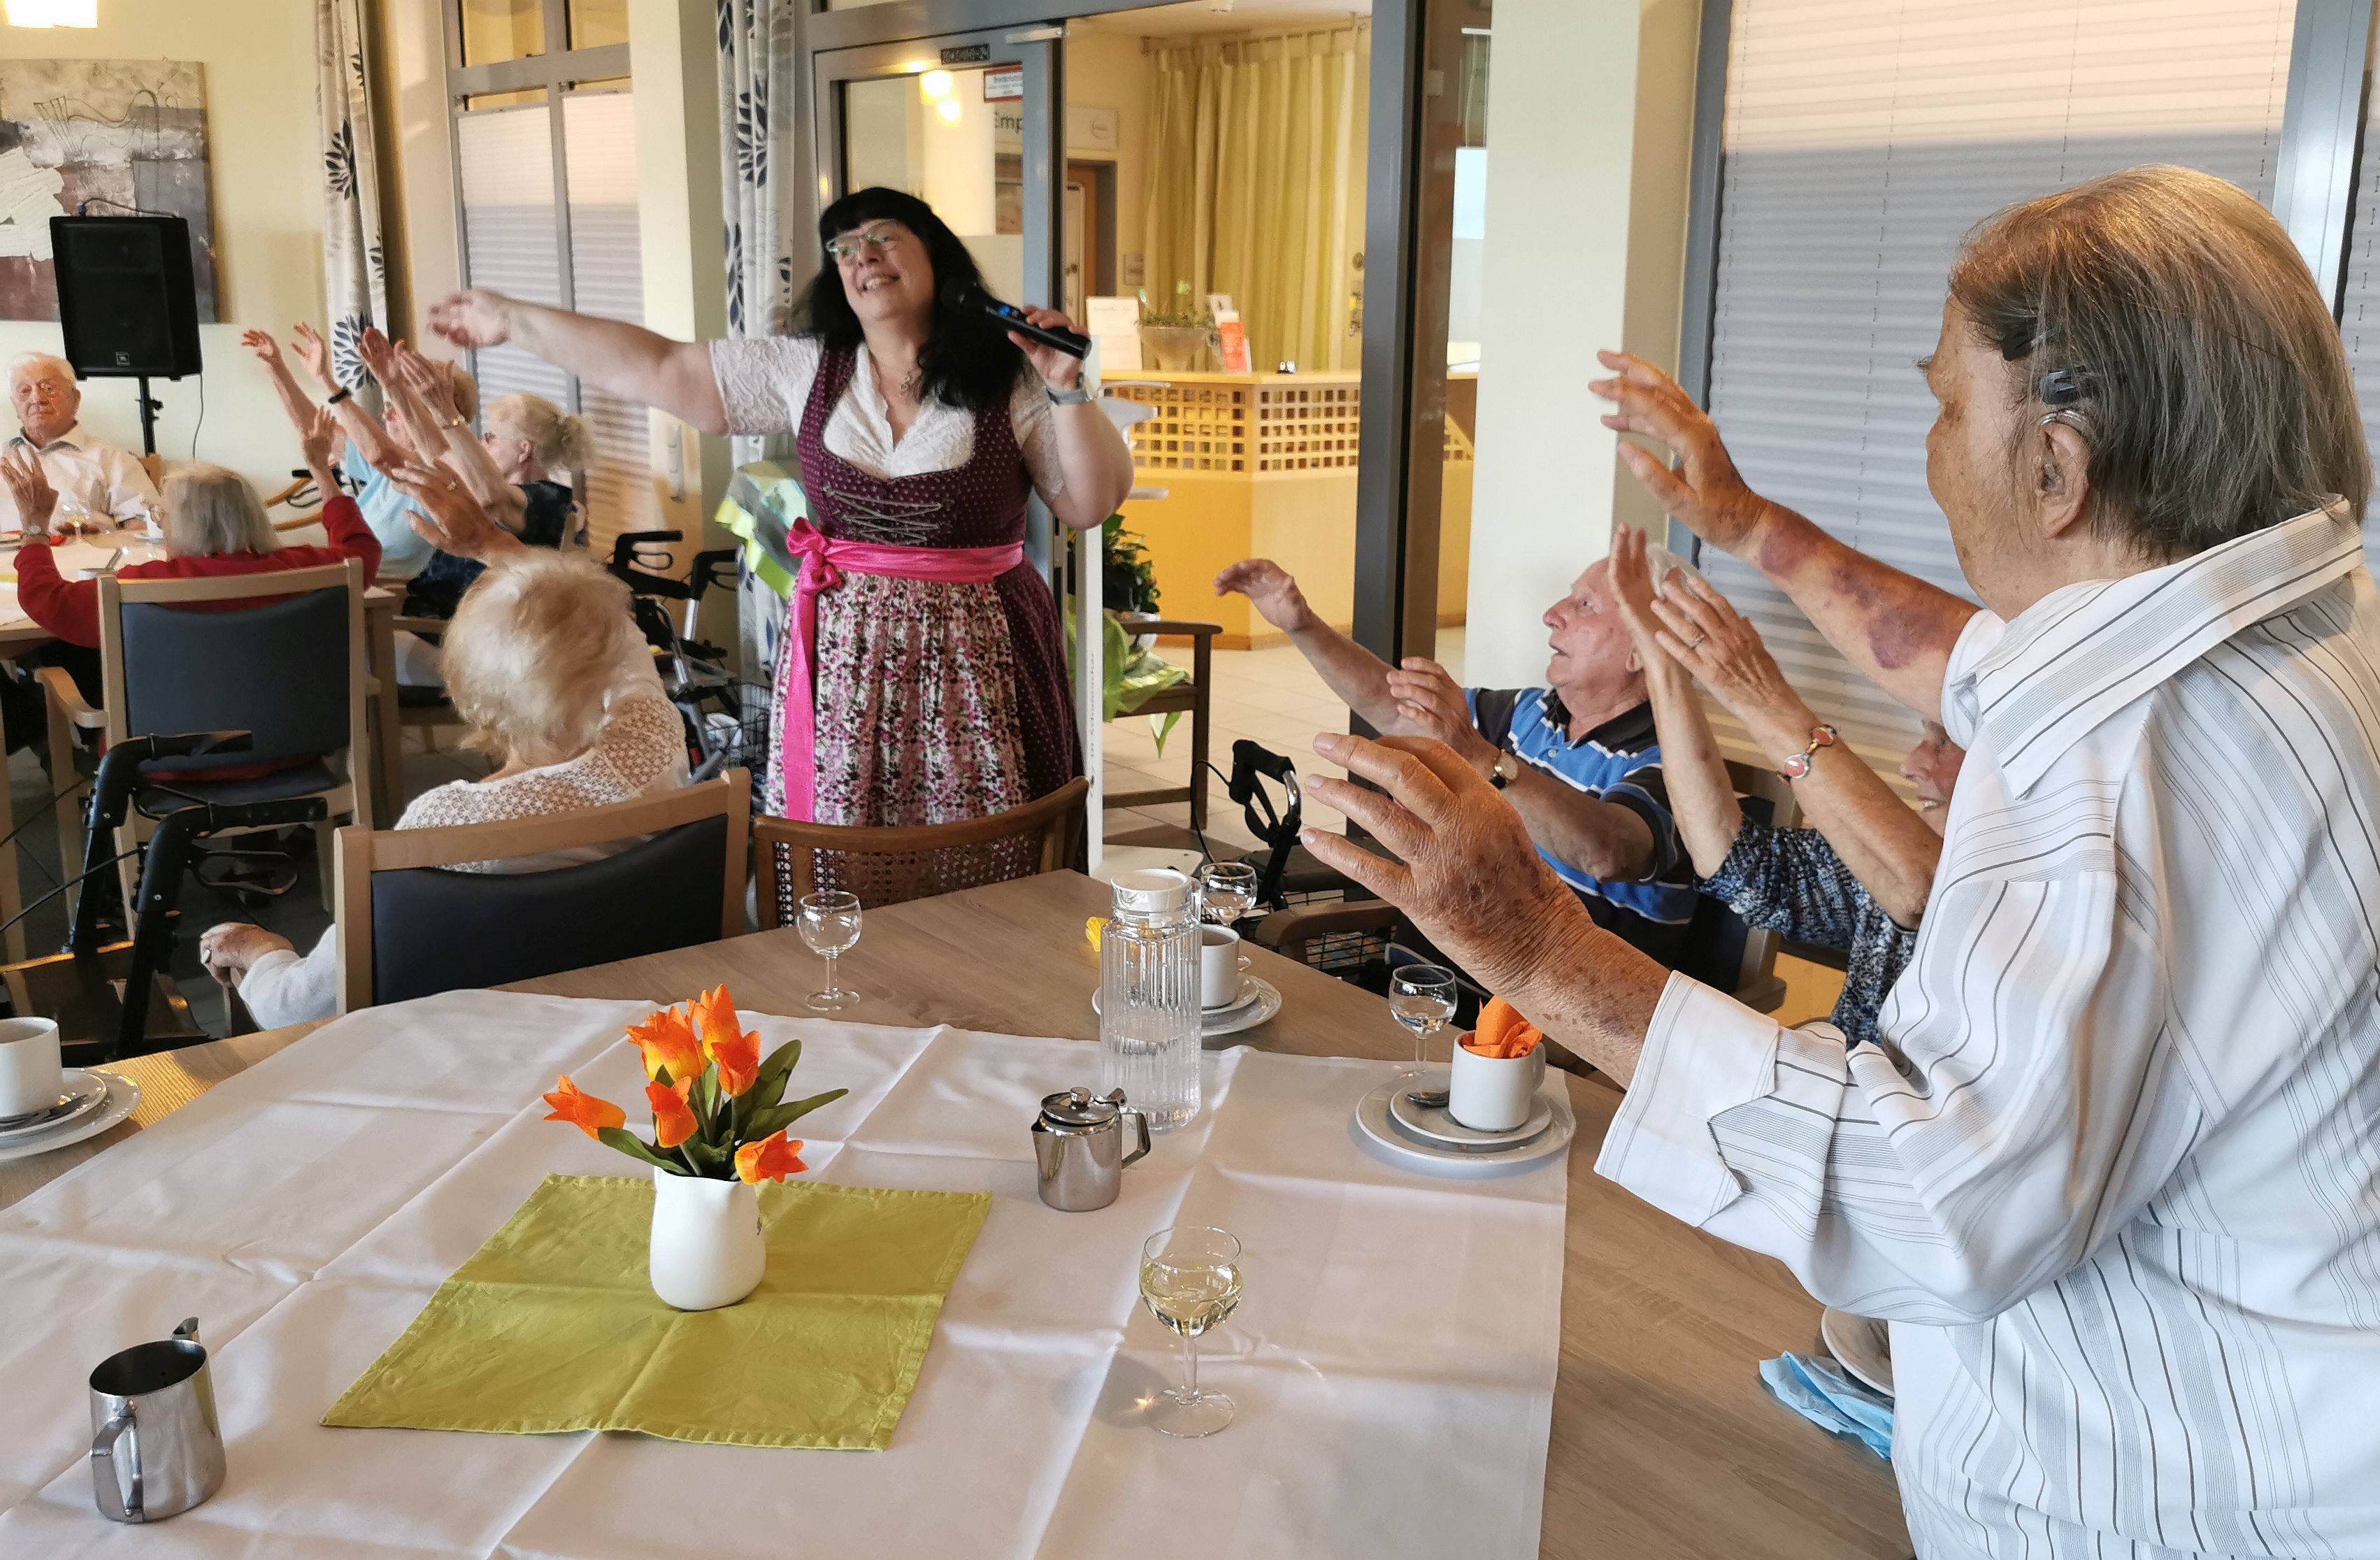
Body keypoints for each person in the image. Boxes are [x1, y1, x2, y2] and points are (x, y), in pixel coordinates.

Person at [1294, 166, 2380, 1556]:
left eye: (1945, 406)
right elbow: (1976, 666)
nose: (1931, 446)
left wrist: (1534, 947)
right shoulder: (2294, 628)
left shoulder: (2123, 768)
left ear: (2055, 471)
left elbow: (1927, 1201)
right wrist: (1749, 526)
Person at [424, 185, 1136, 827]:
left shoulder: (1011, 373)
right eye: (845, 248)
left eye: (884, 237)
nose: (864, 256)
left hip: (979, 660)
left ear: (935, 256)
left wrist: (1067, 387)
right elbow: (661, 365)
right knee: (854, 842)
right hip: (845, 659)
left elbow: (1089, 501)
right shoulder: (806, 366)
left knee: (988, 838)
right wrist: (513, 320)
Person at [200, 547, 689, 1027]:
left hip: (485, 1043)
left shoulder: (446, 825)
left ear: (469, 689)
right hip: (642, 1021)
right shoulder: (658, 737)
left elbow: (301, 1009)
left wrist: (261, 951)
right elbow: (625, 644)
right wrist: (504, 553)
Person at [1214, 552, 1698, 965]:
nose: (1552, 614)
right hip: (1423, 987)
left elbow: (1607, 853)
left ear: (1644, 650)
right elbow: (1397, 711)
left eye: (1585, 604)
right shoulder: (1528, 712)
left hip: (1542, 1027)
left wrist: (1479, 755)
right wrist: (1303, 626)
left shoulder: (1678, 760)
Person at [1605, 523, 1963, 1043]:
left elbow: (1923, 892)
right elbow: (1733, 863)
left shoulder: (2019, 885)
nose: (1912, 763)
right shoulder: (1896, 858)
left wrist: (1761, 695)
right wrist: (1665, 670)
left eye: (1944, 742)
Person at [1, 408, 378, 652]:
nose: (161, 523)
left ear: (189, 525)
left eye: (164, 514)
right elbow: (361, 550)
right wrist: (321, 471)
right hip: (300, 739)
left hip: (171, 747)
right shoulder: (310, 568)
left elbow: (46, 600)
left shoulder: (145, 585)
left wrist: (35, 525)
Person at [243, 324, 483, 580]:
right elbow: (316, 428)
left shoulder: (447, 470)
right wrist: (277, 369)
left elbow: (380, 455)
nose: (386, 415)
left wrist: (328, 383)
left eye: (398, 407)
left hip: (383, 594)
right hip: (350, 582)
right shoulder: (391, 466)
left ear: (433, 416)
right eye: (389, 404)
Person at [3, 352, 161, 531]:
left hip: (86, 547)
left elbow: (146, 525)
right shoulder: (4, 456)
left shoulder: (111, 457)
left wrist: (100, 538)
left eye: (48, 388)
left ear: (75, 400)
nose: (37, 399)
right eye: (25, 391)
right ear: (15, 405)